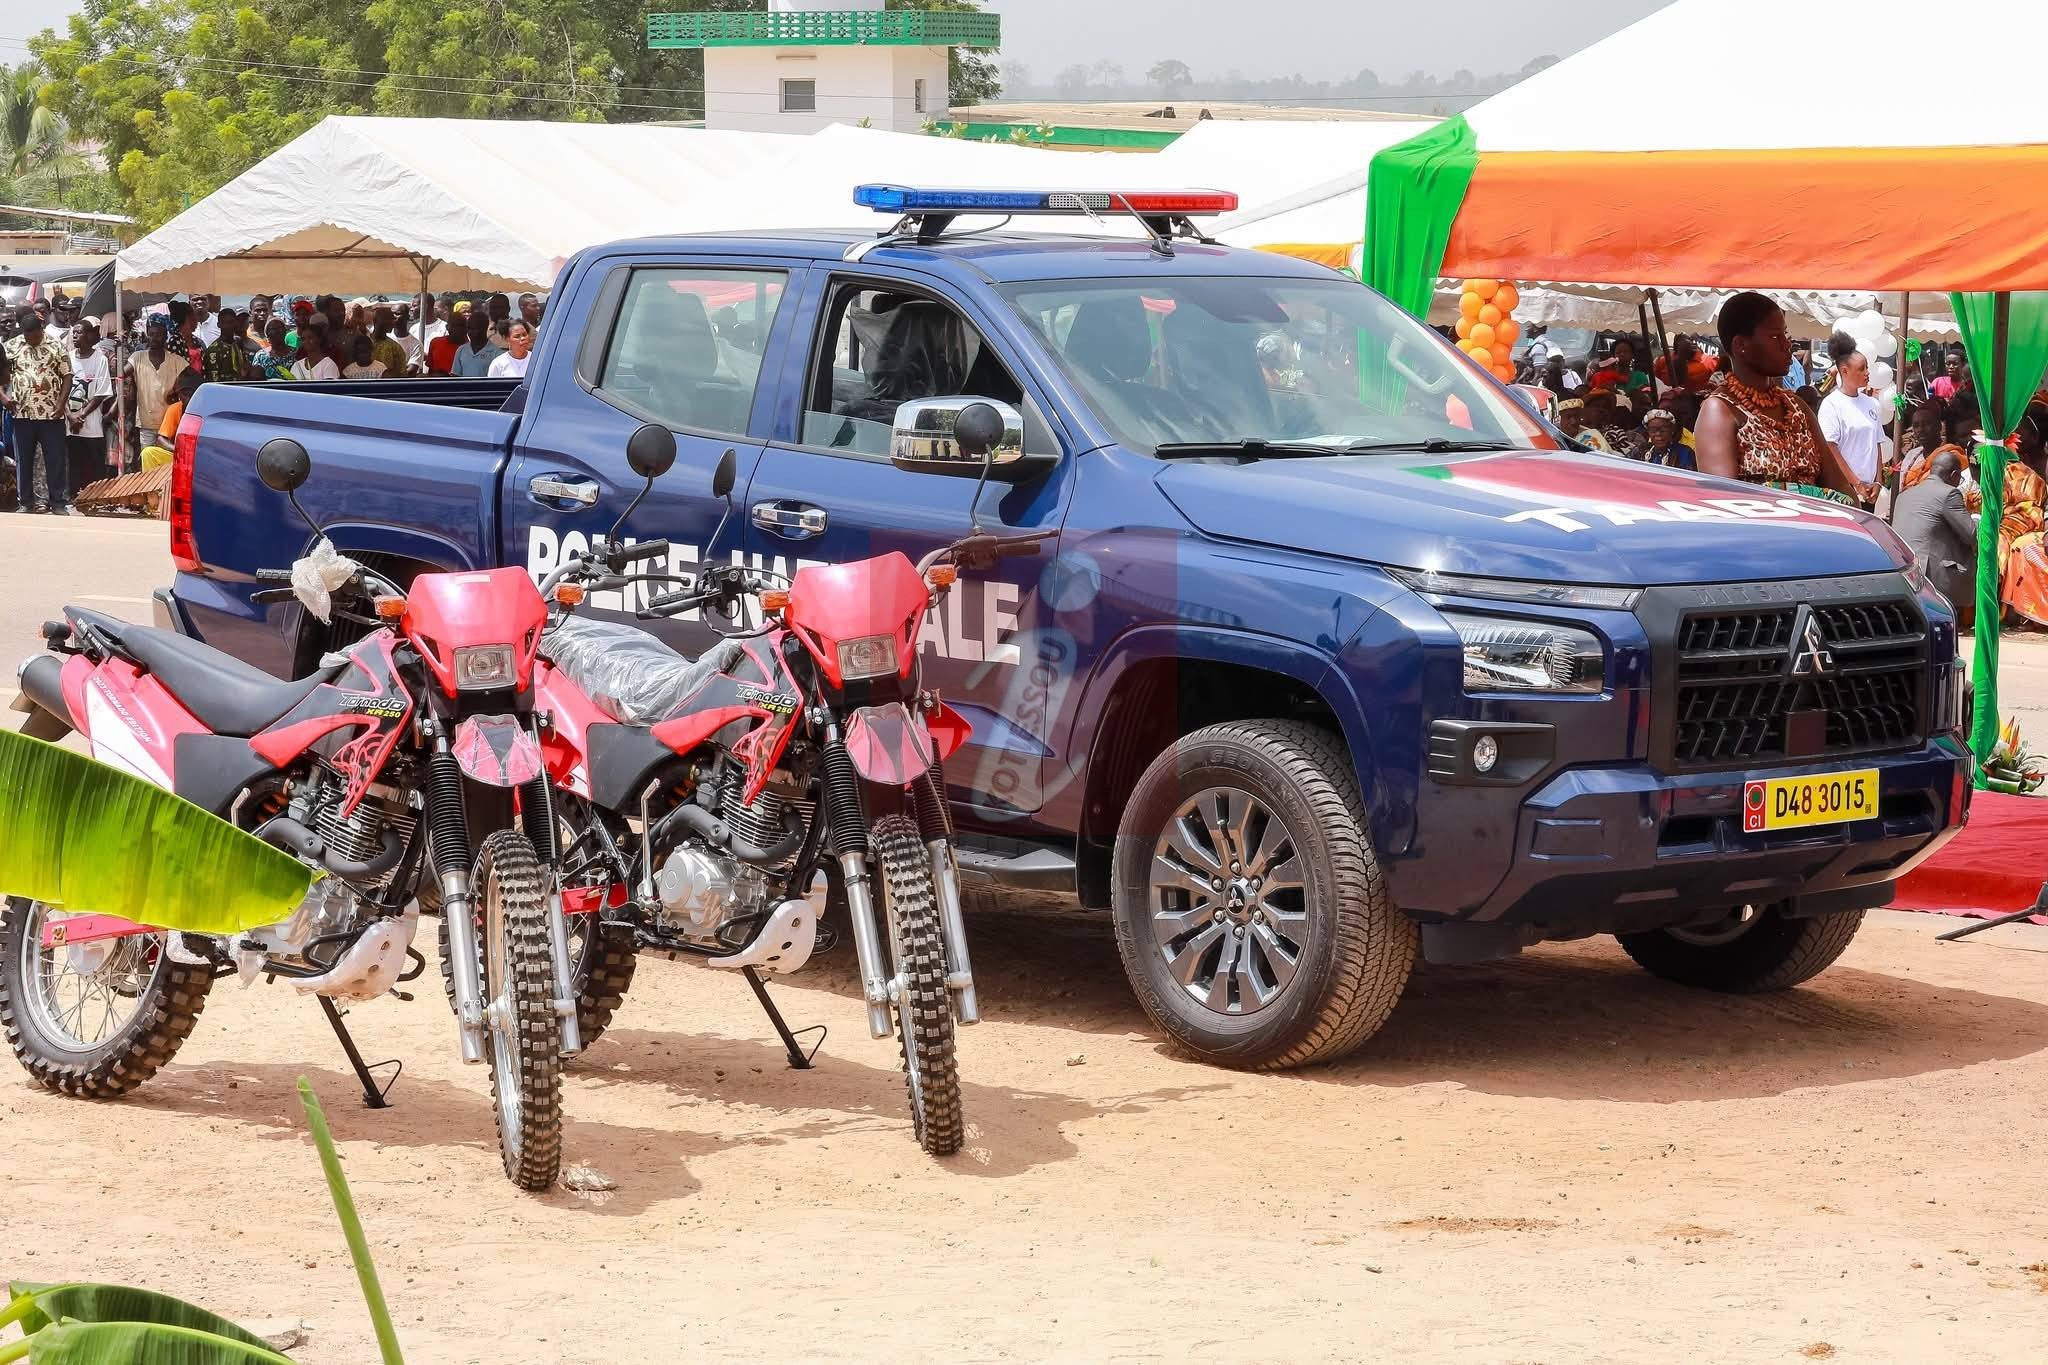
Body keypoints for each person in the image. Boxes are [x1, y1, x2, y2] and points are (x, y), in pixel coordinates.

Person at [1694, 292, 1857, 503]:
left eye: (1785, 334)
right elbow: (1725, 503)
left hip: (1817, 532)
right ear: (1740, 345)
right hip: (1763, 533)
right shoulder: (1719, 410)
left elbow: (1841, 488)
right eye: (1774, 337)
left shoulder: (1796, 406)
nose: (1786, 345)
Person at [1892, 448, 1979, 627]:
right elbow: (1971, 534)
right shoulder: (1949, 493)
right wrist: (1978, 518)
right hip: (1931, 576)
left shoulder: (1904, 495)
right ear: (1954, 475)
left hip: (1900, 569)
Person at [6, 305, 71, 513]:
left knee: (55, 459)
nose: (30, 341)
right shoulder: (12, 346)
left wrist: (61, 404)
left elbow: (68, 375)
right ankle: (25, 502)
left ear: (41, 330)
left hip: (51, 414)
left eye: (34, 337)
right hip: (21, 413)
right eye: (27, 337)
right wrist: (4, 398)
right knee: (23, 460)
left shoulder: (56, 345)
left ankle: (58, 502)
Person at [1818, 332, 1885, 506]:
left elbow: (1876, 444)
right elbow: (1831, 448)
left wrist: (1878, 482)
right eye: (1862, 368)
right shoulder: (1831, 404)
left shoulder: (1871, 404)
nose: (1867, 373)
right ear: (1845, 371)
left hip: (1869, 491)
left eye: (1867, 367)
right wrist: (1856, 483)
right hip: (1843, 490)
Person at [2000, 406, 2048, 625]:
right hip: (2015, 520)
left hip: (2036, 522)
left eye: (2022, 432)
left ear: (2036, 436)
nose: (2016, 437)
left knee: (2021, 546)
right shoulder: (2013, 465)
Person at [125, 317, 188, 461]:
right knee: (148, 461)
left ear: (166, 336)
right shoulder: (138, 357)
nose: (154, 338)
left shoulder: (176, 360)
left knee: (166, 465)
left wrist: (177, 391)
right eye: (151, 334)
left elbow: (191, 380)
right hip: (146, 423)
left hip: (168, 424)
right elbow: (121, 374)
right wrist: (120, 346)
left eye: (158, 334)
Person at [64, 318, 113, 498]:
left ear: (90, 334)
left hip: (91, 425)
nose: (75, 335)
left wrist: (81, 415)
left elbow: (101, 393)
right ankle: (74, 498)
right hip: (70, 424)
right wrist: (70, 416)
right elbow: (61, 391)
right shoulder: (68, 358)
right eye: (74, 332)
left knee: (95, 464)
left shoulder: (99, 359)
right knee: (74, 464)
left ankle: (97, 497)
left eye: (80, 332)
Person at [1590, 337, 1654, 403]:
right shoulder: (1605, 376)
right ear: (1613, 356)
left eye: (1626, 351)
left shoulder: (1640, 376)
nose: (1622, 354)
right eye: (1618, 352)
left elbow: (1646, 398)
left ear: (1632, 355)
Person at [202, 306, 249, 382]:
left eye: (233, 322)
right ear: (219, 324)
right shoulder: (214, 350)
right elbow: (214, 380)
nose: (231, 326)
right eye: (227, 323)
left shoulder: (238, 343)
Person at [451, 307, 496, 377]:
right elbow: (455, 377)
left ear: (484, 328)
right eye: (469, 328)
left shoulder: (496, 353)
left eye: (475, 328)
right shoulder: (461, 350)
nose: (471, 332)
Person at [392, 303, 421, 373]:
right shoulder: (385, 337)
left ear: (407, 317)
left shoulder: (416, 344)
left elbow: (411, 370)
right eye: (392, 314)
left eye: (397, 314)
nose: (393, 316)